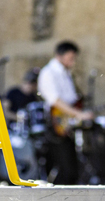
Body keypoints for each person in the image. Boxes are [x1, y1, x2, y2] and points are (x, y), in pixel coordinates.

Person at [38, 41, 93, 184]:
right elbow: (55, 100)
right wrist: (78, 114)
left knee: (72, 169)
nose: (73, 62)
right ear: (59, 56)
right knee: (65, 169)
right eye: (70, 58)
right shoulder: (48, 73)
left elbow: (72, 98)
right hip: (55, 125)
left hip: (67, 125)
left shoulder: (66, 74)